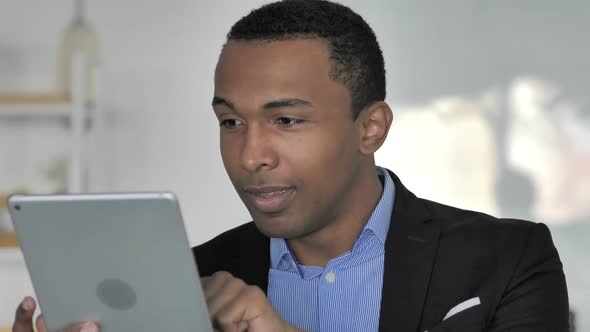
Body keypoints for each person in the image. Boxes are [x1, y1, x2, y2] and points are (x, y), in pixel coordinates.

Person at [12, 1, 569, 331]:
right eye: (230, 122)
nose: (250, 155)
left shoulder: (508, 259)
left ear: (370, 128)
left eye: (287, 121)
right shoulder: (193, 284)